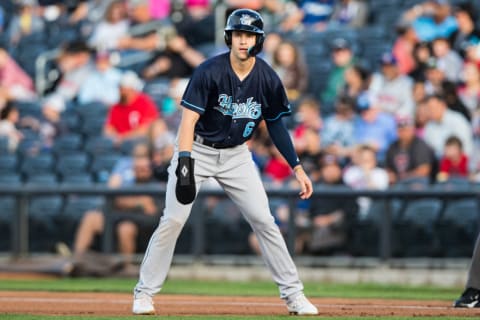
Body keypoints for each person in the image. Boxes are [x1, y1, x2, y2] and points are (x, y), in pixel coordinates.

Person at [132, 9, 318, 316]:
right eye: (239, 34)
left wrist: (296, 167)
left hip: (236, 155)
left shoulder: (267, 76)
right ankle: (144, 293)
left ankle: (294, 295)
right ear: (229, 37)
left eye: (249, 35)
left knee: (264, 221)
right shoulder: (209, 70)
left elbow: (275, 125)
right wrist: (185, 161)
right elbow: (188, 120)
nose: (243, 41)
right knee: (173, 220)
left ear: (258, 40)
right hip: (199, 150)